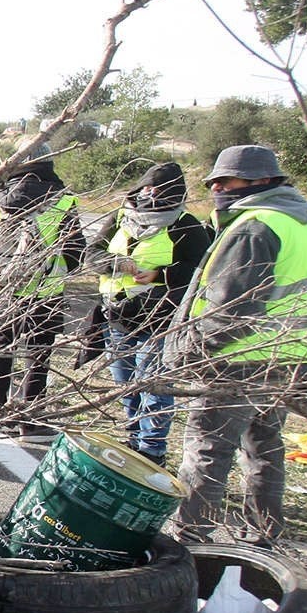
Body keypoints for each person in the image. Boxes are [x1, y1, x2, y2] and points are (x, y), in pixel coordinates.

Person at [171, 144, 307, 544]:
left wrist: (185, 354)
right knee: (264, 446)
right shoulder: (302, 222)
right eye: (215, 182)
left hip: (242, 358)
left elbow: (230, 310)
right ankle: (264, 535)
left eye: (227, 182)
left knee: (208, 451)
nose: (219, 189)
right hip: (290, 357)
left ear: (261, 181)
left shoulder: (254, 226)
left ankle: (190, 541)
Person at [96, 161, 211, 465]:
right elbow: (90, 253)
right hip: (117, 316)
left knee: (154, 387)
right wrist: (115, 264)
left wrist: (160, 274)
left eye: (157, 189)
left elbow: (199, 270)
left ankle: (152, 449)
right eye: (146, 187)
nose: (149, 193)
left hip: (159, 320)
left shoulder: (185, 225)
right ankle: (133, 436)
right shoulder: (121, 217)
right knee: (125, 383)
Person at [0, 143, 84, 441]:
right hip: (44, 292)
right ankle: (29, 420)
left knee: (0, 348)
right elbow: (75, 253)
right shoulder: (63, 201)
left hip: (2, 289)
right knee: (38, 354)